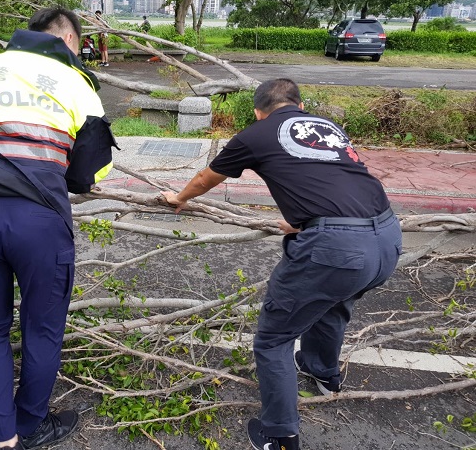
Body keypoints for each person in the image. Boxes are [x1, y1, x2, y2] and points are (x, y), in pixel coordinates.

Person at [161, 78, 402, 450]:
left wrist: (178, 197)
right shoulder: (328, 127)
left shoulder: (254, 135)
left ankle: (280, 435)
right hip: (386, 236)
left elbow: (206, 177)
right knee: (333, 304)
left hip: (335, 249)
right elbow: (336, 180)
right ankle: (324, 374)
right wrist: (306, 220)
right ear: (299, 105)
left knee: (274, 339)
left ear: (258, 111)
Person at [0, 7, 117, 450]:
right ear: (71, 41)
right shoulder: (77, 81)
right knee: (42, 328)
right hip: (39, 219)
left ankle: (4, 437)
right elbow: (88, 173)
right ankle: (32, 424)